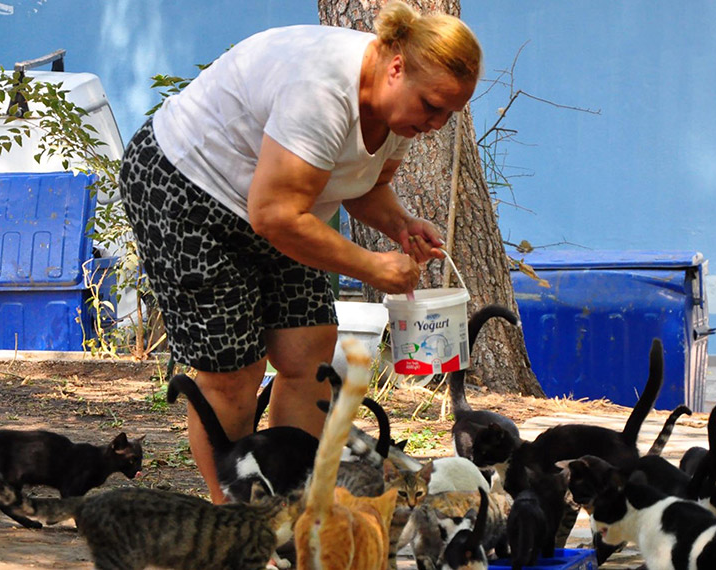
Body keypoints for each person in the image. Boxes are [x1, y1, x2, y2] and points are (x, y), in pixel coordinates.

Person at [119, 1, 481, 503]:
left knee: (309, 354)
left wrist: (401, 224)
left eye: (449, 113)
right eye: (432, 106)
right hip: (188, 189)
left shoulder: (400, 112)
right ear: (397, 68)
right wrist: (372, 266)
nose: (437, 123)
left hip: (280, 203)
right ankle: (238, 523)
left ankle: (293, 506)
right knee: (234, 374)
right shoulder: (321, 91)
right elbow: (275, 216)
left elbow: (363, 184)